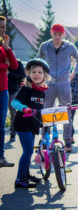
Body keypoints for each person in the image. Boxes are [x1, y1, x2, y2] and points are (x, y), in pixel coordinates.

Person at [37, 23, 78, 152]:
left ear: (63, 34)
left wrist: (73, 72)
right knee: (47, 111)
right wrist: (40, 76)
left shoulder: (69, 47)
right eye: (55, 34)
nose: (57, 37)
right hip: (48, 83)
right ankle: (45, 139)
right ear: (51, 33)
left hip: (64, 83)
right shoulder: (45, 46)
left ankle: (67, 141)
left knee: (66, 111)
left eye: (60, 34)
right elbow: (38, 59)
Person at [11, 58, 50, 187]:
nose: (37, 74)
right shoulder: (26, 88)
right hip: (23, 124)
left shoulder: (42, 91)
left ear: (45, 75)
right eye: (34, 72)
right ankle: (20, 179)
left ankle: (26, 174)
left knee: (28, 150)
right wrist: (24, 108)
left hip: (33, 125)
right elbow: (14, 103)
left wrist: (43, 122)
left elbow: (39, 110)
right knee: (27, 150)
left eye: (40, 72)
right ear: (29, 74)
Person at [0, 15, 18, 167]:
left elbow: (14, 66)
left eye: (4, 27)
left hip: (3, 89)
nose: (3, 30)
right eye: (0, 27)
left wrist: (8, 48)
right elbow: (6, 66)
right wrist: (4, 66)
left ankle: (1, 157)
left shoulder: (3, 47)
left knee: (1, 125)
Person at [7, 60, 25, 142]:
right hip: (2, 90)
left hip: (13, 90)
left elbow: (22, 76)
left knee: (13, 112)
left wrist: (9, 74)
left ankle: (13, 133)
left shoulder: (17, 63)